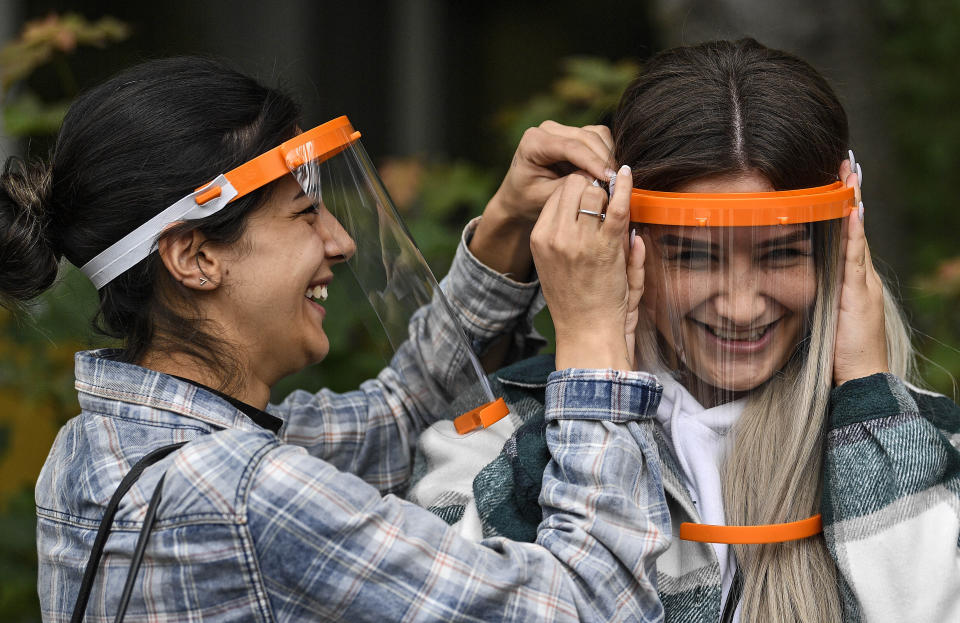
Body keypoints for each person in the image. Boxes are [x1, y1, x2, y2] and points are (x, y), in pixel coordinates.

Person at [1, 57, 672, 621]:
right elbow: (589, 604)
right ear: (195, 257)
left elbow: (402, 415)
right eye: (304, 212)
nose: (342, 241)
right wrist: (590, 338)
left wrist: (504, 222)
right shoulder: (248, 493)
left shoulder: (97, 447)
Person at [408, 39, 960, 622]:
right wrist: (592, 377)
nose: (742, 308)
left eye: (781, 255)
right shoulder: (495, 442)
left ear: (835, 252)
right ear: (621, 246)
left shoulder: (927, 444)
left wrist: (868, 395)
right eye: (695, 257)